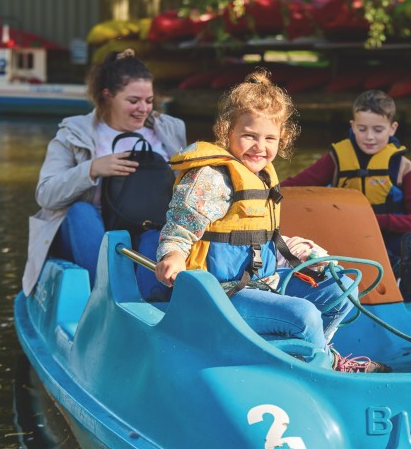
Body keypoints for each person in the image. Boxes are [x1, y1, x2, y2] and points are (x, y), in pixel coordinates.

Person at [154, 68, 390, 373]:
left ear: (283, 139)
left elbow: (265, 240)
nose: (259, 146)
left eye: (270, 138)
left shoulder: (261, 178)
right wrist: (173, 255)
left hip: (264, 286)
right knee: (303, 314)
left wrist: (306, 252)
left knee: (343, 290)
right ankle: (325, 369)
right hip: (218, 297)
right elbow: (179, 228)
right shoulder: (211, 178)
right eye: (249, 136)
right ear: (227, 131)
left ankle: (308, 356)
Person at [22, 48, 186, 301]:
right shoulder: (73, 133)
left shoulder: (169, 130)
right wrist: (91, 169)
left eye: (149, 101)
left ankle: (152, 304)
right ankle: (103, 294)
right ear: (107, 96)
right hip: (91, 230)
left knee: (159, 234)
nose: (144, 109)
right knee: (80, 212)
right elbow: (45, 195)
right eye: (133, 101)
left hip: (149, 227)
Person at [280, 89, 411, 301]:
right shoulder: (335, 160)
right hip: (346, 237)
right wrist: (266, 190)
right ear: (352, 126)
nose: (369, 137)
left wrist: (373, 221)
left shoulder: (406, 170)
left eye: (378, 130)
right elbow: (294, 187)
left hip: (389, 239)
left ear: (392, 129)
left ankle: (409, 292)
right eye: (362, 129)